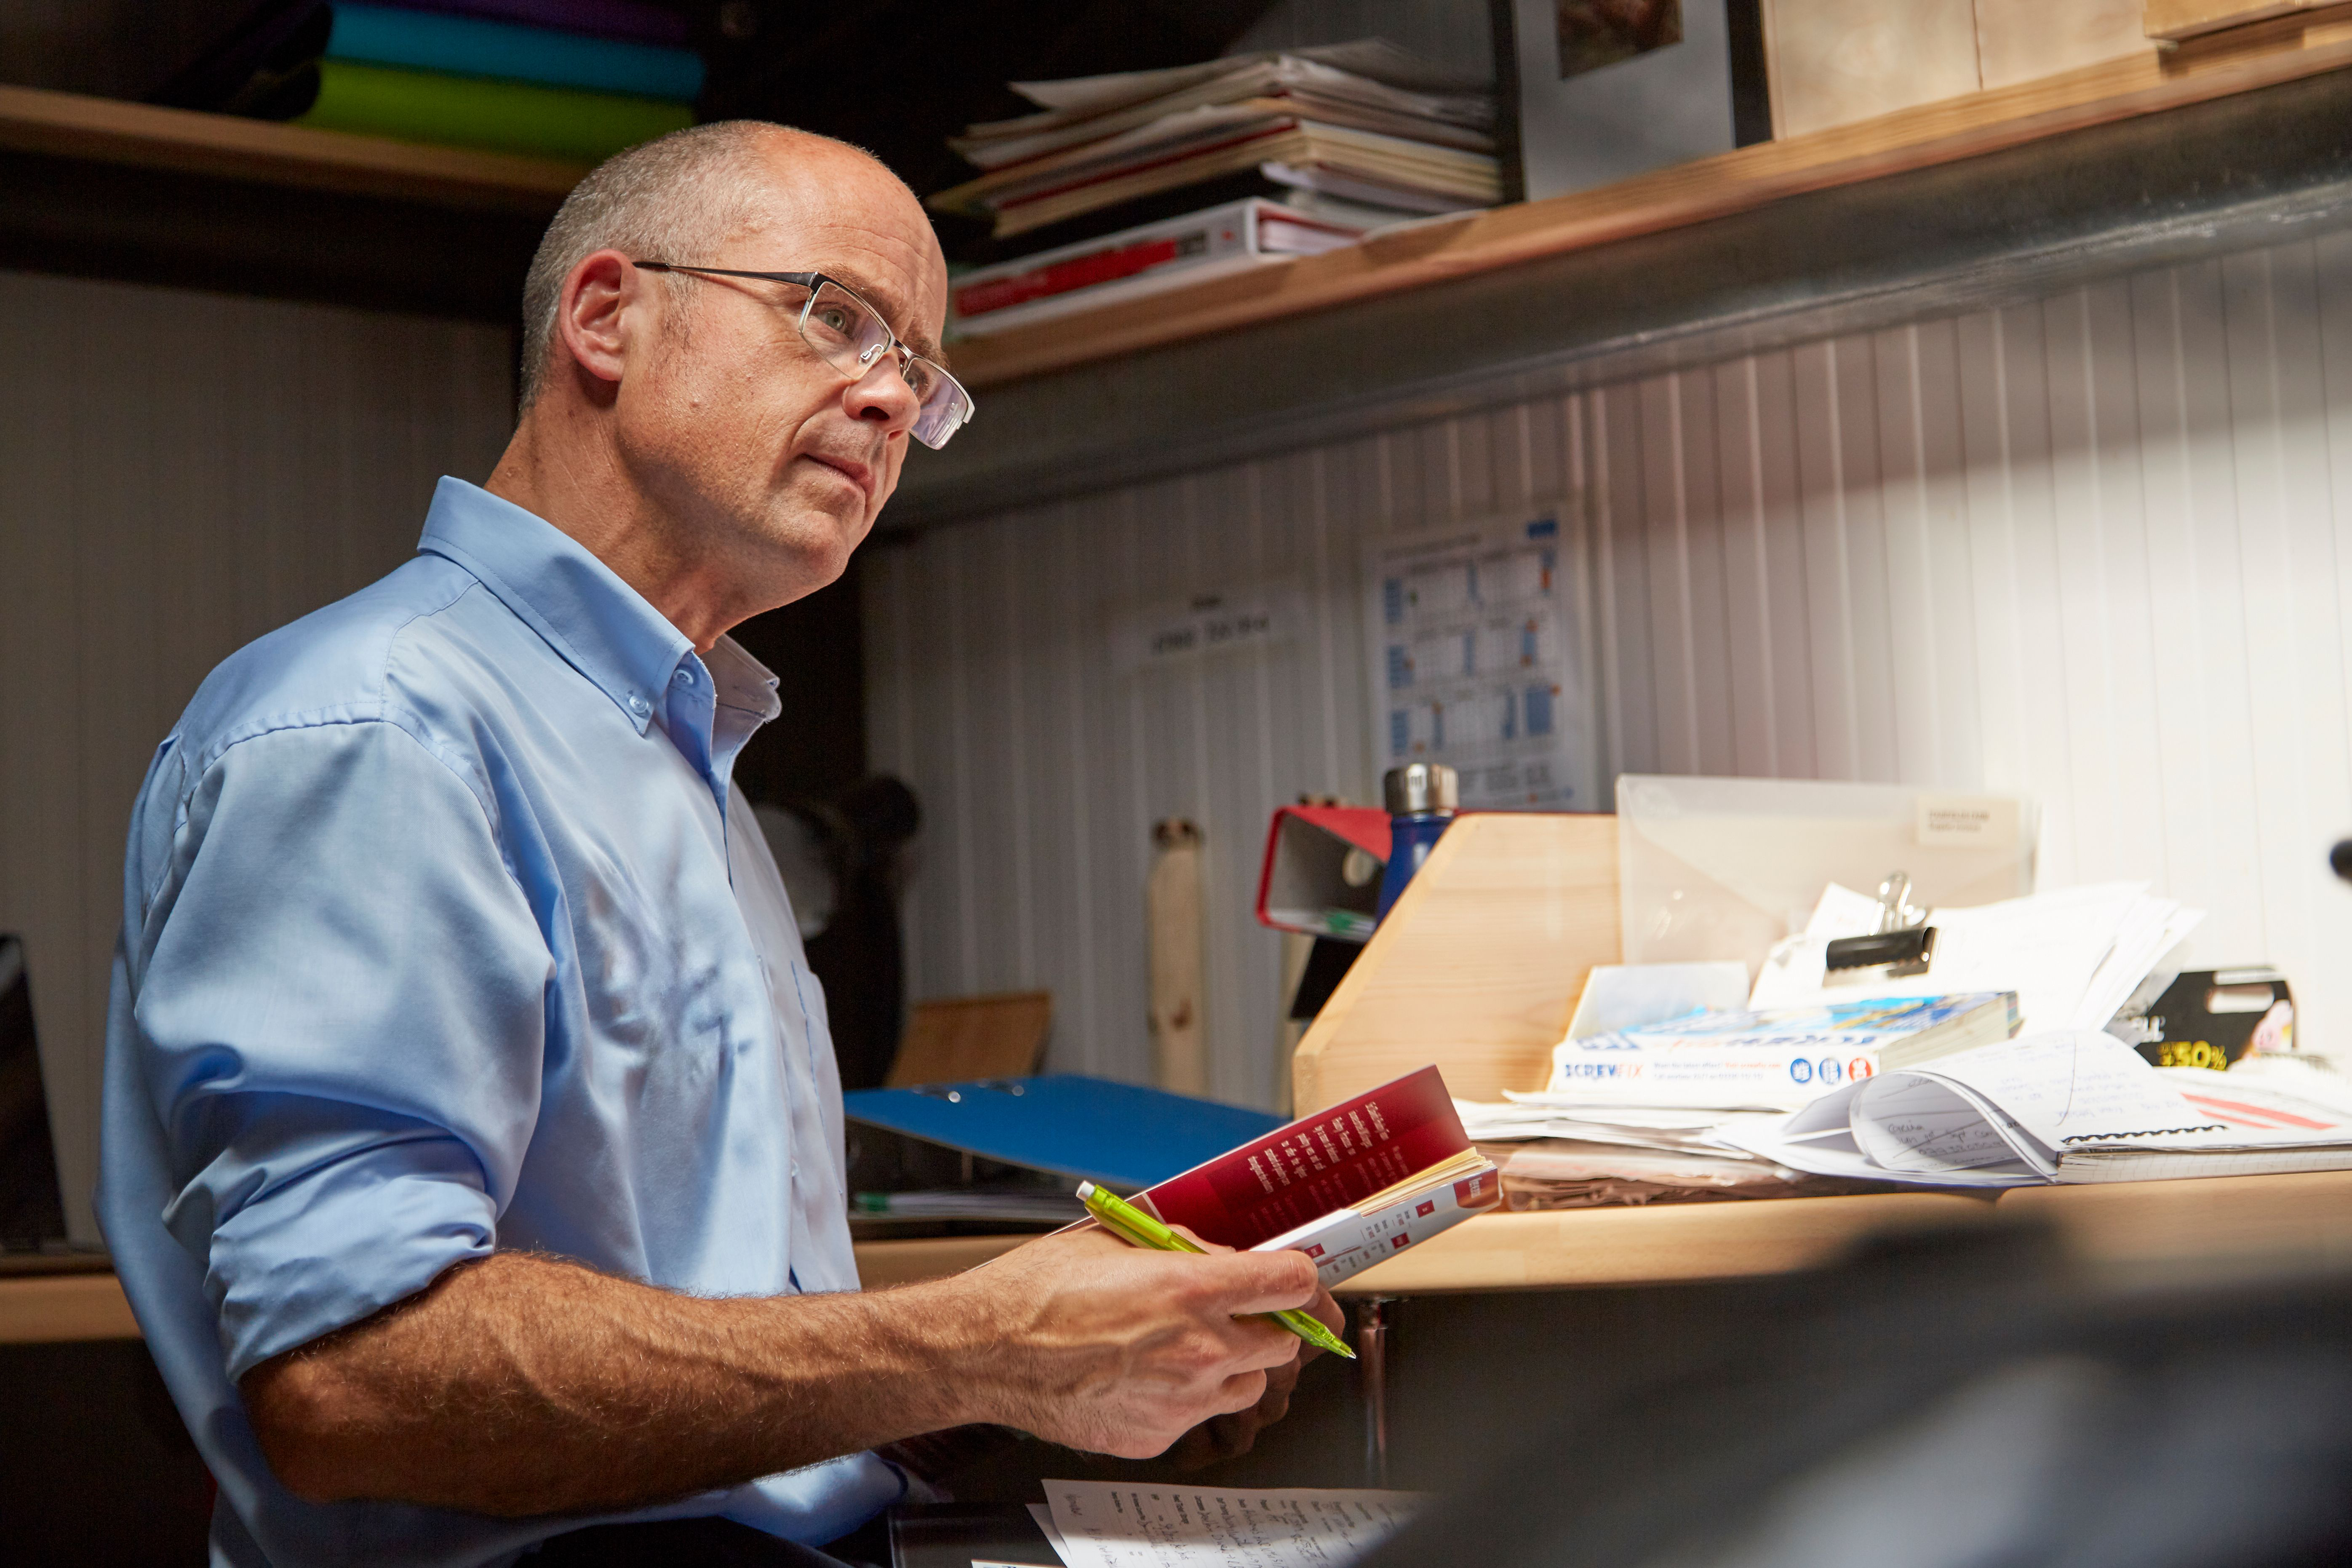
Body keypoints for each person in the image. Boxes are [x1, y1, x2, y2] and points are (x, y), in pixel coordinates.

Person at [97, 121, 1336, 1568]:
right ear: (607, 317)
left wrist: (1051, 1387)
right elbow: (356, 1377)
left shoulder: (686, 758)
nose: (889, 400)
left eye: (923, 378)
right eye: (841, 317)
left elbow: (709, 1351)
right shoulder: (376, 728)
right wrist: (973, 1344)